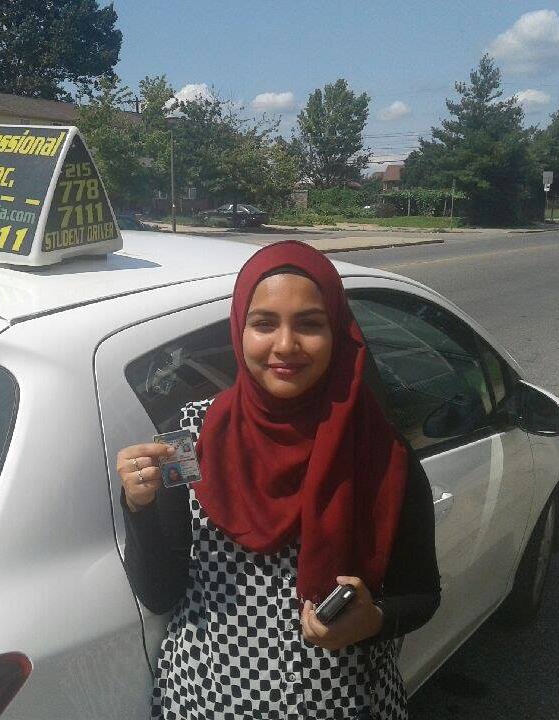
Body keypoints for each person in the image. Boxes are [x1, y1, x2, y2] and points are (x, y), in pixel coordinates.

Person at [116, 240, 440, 720]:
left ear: (338, 333)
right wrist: (139, 508)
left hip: (344, 704)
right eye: (264, 323)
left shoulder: (379, 449)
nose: (285, 345)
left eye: (309, 324)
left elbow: (422, 593)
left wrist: (374, 620)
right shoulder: (188, 443)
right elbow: (161, 592)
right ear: (239, 330)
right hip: (206, 703)